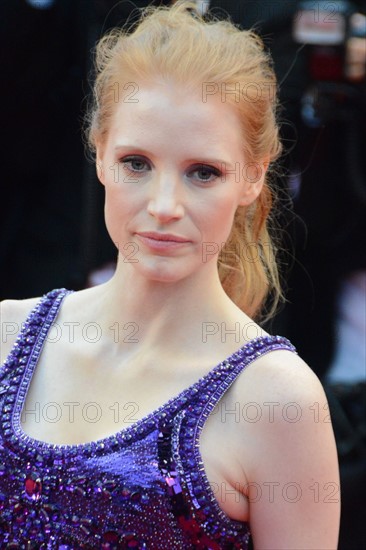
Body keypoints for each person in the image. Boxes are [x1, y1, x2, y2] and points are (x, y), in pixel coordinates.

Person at [0, 2, 340, 548]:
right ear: (99, 154)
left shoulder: (278, 400)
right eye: (136, 163)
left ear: (252, 178)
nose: (163, 205)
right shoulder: (6, 336)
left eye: (203, 173)